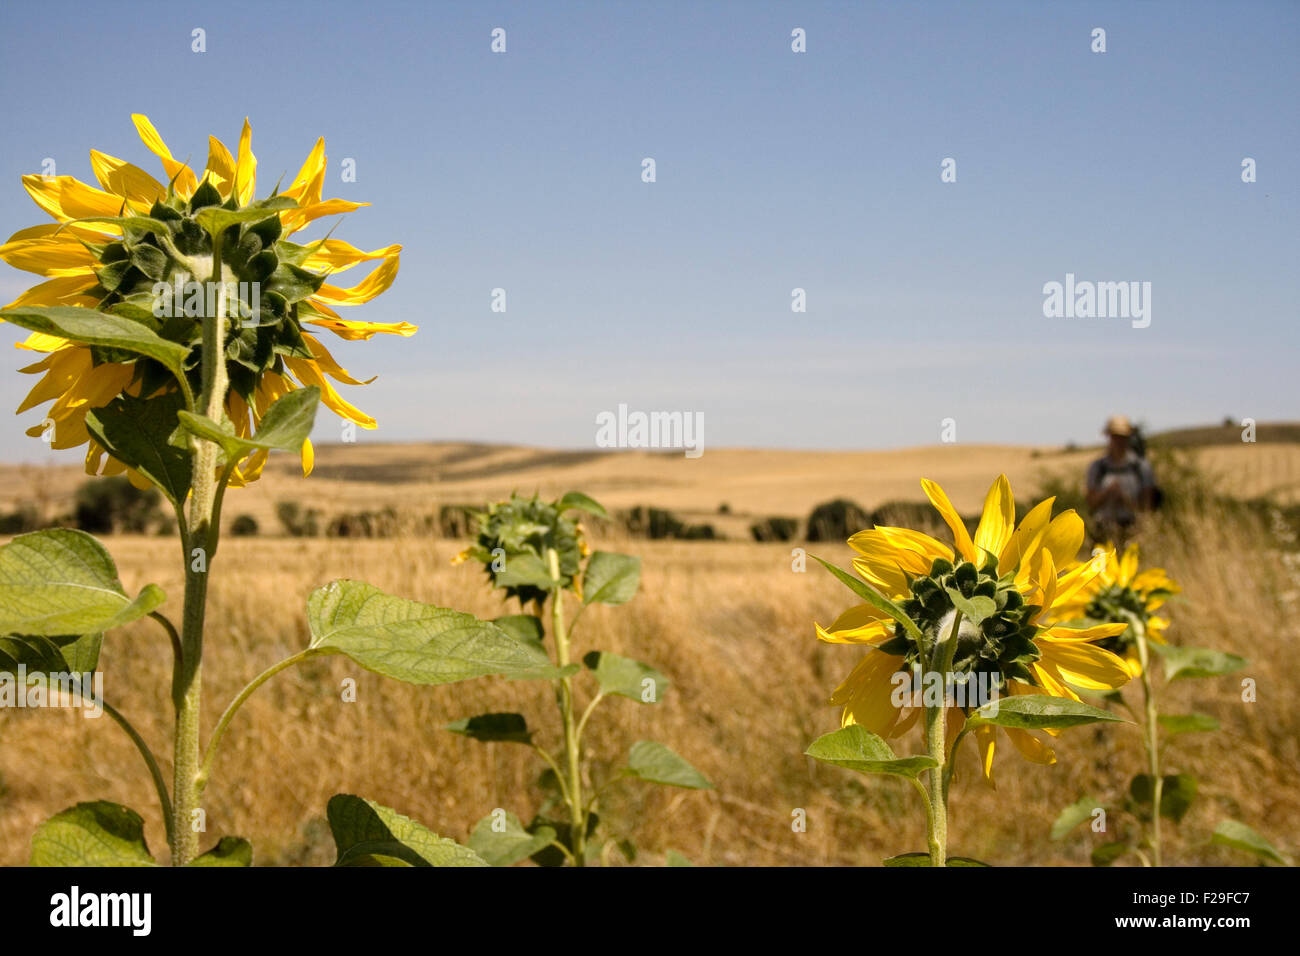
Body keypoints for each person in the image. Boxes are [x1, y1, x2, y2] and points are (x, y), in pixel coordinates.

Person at [1085, 415, 1156, 546]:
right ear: (1109, 437)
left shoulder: (1141, 466)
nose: (1119, 441)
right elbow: (1090, 502)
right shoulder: (1098, 467)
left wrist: (1125, 499)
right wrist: (1107, 493)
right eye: (1115, 436)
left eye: (1122, 437)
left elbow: (1147, 506)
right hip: (1103, 528)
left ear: (1129, 438)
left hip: (1132, 528)